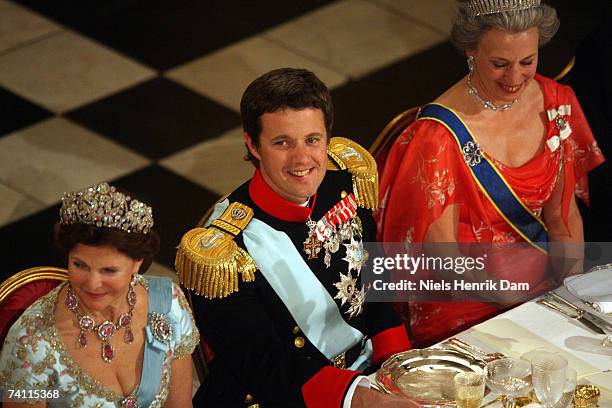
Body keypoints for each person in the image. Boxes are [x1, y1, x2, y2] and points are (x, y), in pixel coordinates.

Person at [176, 68, 413, 407]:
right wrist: (361, 399)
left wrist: (400, 372)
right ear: (253, 145)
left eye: (312, 140)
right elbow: (265, 366)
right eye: (282, 143)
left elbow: (376, 293)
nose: (302, 160)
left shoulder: (343, 183)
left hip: (366, 378)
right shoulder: (224, 253)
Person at [376, 0, 604, 348]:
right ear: (471, 51)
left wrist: (569, 293)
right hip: (466, 297)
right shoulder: (438, 136)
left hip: (542, 284)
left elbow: (562, 218)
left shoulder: (557, 102)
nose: (514, 79)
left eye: (527, 62)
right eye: (499, 64)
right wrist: (522, 306)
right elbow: (444, 259)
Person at [0, 182, 199, 407]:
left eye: (109, 270)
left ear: (137, 263)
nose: (93, 284)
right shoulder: (32, 342)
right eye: (79, 265)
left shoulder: (168, 303)